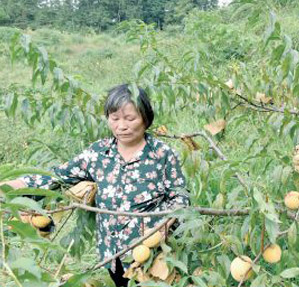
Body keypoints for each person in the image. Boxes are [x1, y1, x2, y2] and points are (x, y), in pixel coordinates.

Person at [1, 84, 189, 287]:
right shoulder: (98, 153)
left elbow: (180, 197)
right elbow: (58, 177)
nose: (121, 126)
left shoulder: (162, 154)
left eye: (130, 118)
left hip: (149, 253)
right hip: (111, 252)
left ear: (145, 118)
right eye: (114, 118)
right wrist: (12, 185)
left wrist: (163, 226)